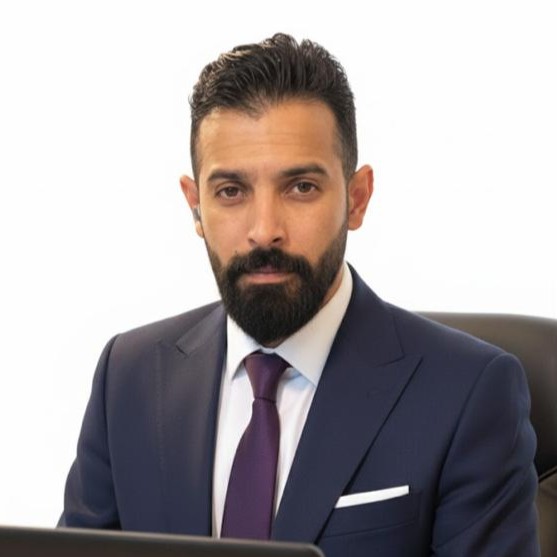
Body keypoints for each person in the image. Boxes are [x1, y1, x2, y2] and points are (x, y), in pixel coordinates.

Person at [59, 34, 540, 556]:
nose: (264, 230)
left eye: (301, 187)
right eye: (230, 191)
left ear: (357, 198)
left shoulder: (468, 393)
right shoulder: (128, 377)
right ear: (195, 206)